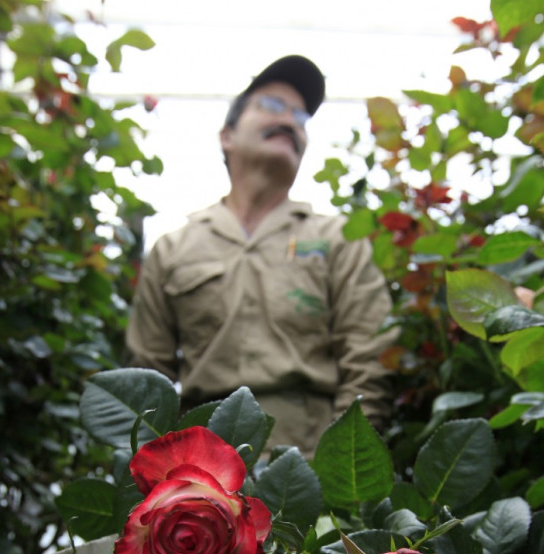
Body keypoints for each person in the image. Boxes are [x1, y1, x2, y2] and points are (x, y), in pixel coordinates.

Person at [126, 54, 394, 453]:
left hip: (307, 463)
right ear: (227, 136)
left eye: (302, 117)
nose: (290, 120)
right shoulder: (175, 248)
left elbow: (371, 360)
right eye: (271, 106)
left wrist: (338, 473)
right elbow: (146, 379)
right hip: (201, 478)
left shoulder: (339, 240)